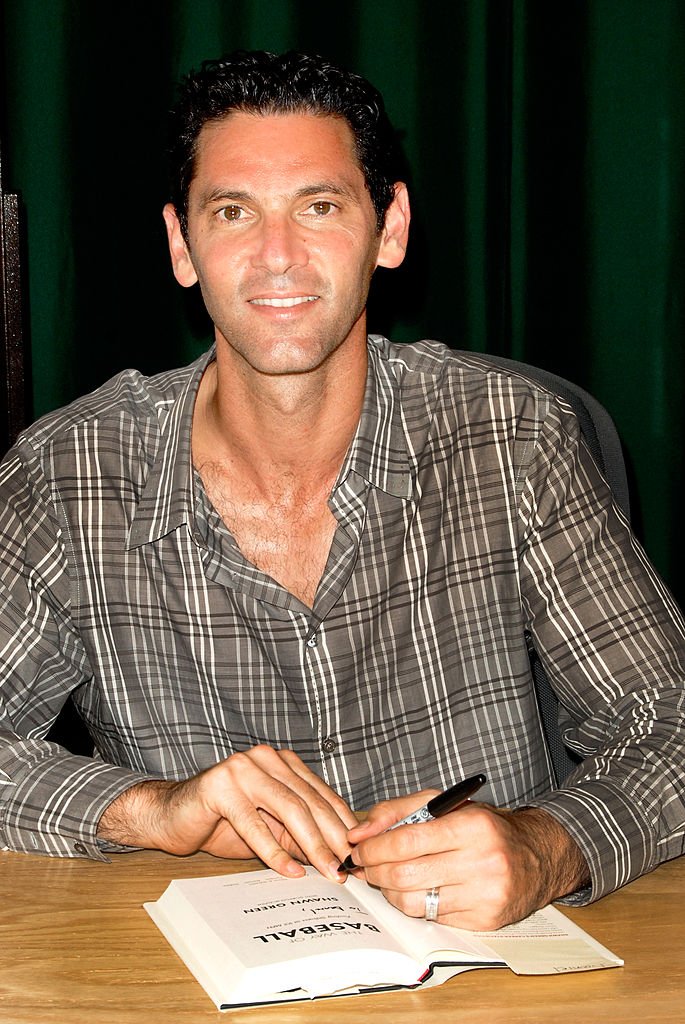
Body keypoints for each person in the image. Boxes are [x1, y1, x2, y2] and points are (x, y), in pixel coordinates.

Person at [0, 50, 683, 933]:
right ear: (182, 244)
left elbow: (670, 724)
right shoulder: (72, 473)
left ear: (388, 228)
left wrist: (547, 844)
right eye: (233, 212)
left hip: (499, 975)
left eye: (318, 207)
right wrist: (150, 808)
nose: (276, 257)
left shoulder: (510, 436)